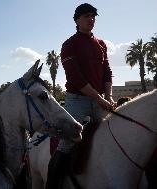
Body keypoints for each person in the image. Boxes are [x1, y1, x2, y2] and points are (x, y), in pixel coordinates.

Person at [45, 3, 116, 189]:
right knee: (67, 143)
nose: (91, 19)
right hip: (77, 100)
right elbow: (75, 78)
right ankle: (53, 184)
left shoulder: (101, 44)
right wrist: (99, 99)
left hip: (99, 99)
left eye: (93, 16)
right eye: (86, 16)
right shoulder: (69, 44)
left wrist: (108, 96)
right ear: (76, 20)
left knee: (110, 136)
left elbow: (107, 72)